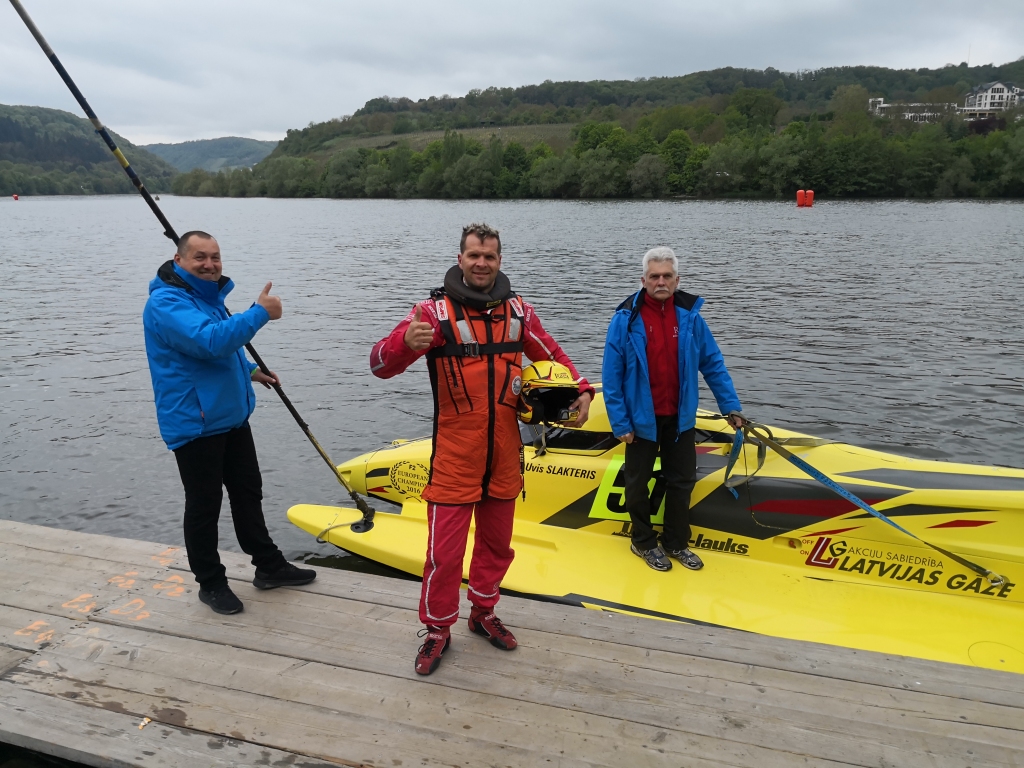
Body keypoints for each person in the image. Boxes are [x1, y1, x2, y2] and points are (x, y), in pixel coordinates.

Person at [370, 223, 595, 675]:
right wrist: (402, 344)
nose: (481, 263)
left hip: (505, 454)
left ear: (499, 261)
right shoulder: (431, 314)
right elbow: (379, 364)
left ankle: (483, 613)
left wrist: (584, 392)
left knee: (496, 546)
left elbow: (554, 357)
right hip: (454, 456)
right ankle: (436, 630)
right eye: (474, 255)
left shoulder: (519, 312)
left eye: (489, 256)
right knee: (444, 554)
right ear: (460, 258)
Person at [143, 231, 315, 615]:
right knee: (204, 505)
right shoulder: (166, 303)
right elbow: (209, 342)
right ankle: (211, 583)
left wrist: (251, 370)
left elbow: (220, 351)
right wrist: (259, 313)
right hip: (196, 422)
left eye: (215, 257)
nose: (209, 265)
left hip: (230, 416)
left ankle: (268, 566)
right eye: (200, 257)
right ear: (179, 259)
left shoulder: (207, 298)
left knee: (247, 491)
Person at [602, 247, 744, 572]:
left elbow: (713, 364)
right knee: (637, 485)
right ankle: (643, 541)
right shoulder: (625, 320)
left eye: (667, 276)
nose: (661, 281)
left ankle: (676, 542)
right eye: (655, 276)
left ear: (677, 279)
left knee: (682, 482)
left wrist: (730, 406)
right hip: (640, 423)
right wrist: (620, 422)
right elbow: (611, 378)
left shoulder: (691, 318)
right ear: (643, 280)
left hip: (680, 421)